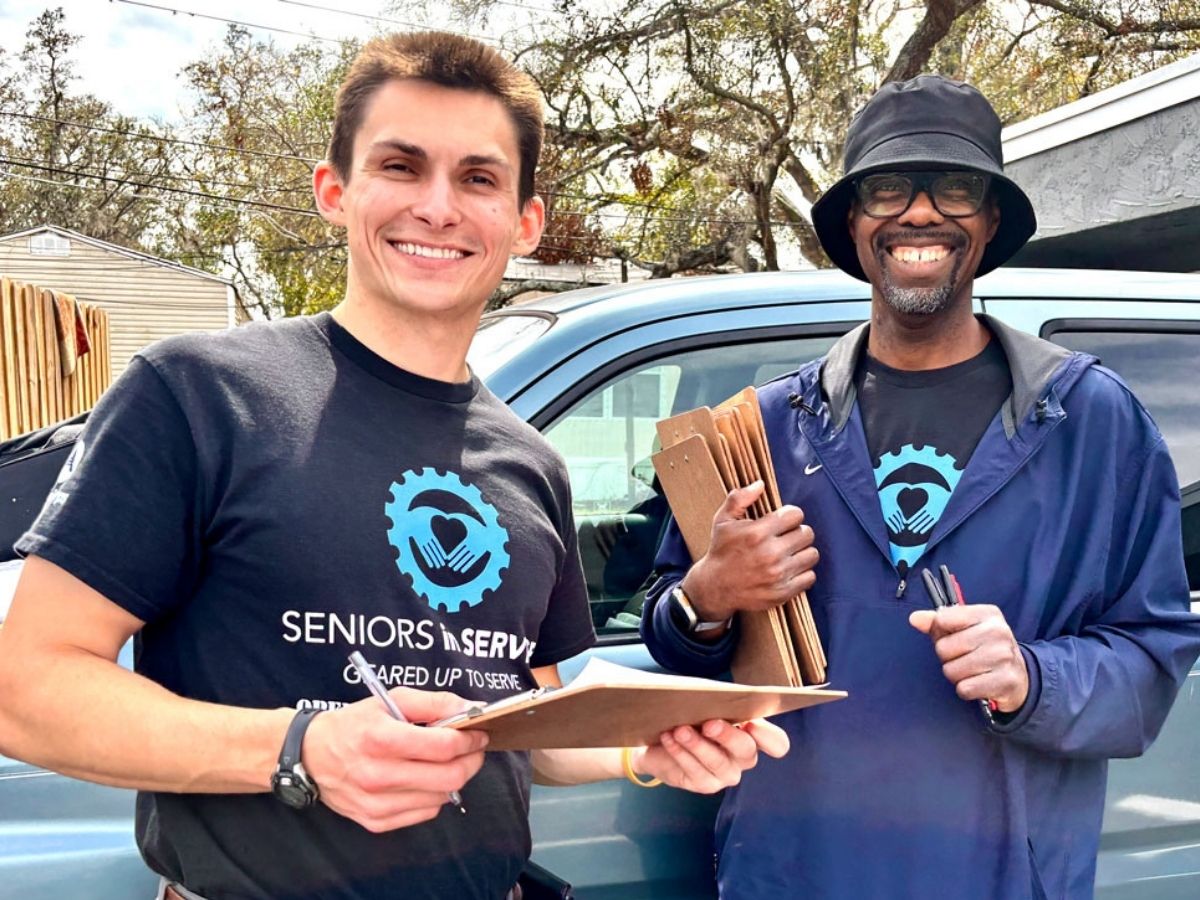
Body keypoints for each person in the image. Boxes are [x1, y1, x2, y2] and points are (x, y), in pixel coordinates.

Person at [0, 32, 788, 900]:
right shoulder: (199, 397)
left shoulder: (529, 465)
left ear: (524, 221)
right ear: (336, 192)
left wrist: (652, 748)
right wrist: (301, 749)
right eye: (402, 166)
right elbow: (27, 690)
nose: (440, 207)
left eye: (479, 178)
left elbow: (516, 732)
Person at [641, 74, 1200, 899]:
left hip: (1000, 878)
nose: (920, 212)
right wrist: (710, 593)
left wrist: (1032, 677)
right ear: (855, 225)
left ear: (991, 219)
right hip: (793, 874)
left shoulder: (1091, 422)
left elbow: (1153, 656)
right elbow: (670, 630)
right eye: (888, 188)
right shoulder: (768, 427)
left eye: (956, 186)